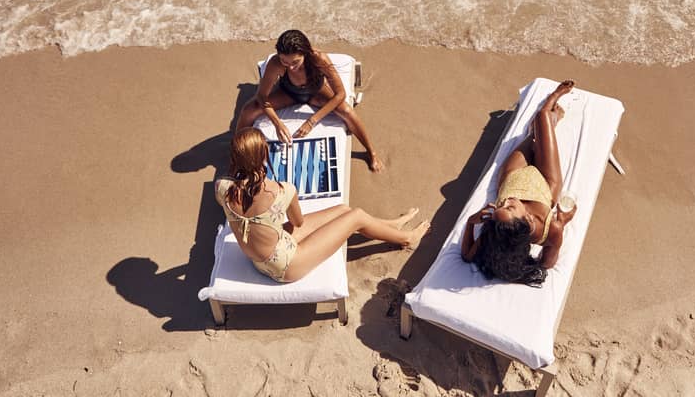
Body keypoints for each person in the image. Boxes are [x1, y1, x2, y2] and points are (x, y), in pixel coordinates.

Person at [215, 127, 429, 283]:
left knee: (344, 211)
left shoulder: (222, 188)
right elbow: (297, 222)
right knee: (357, 217)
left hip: (258, 259)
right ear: (264, 155)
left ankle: (393, 225)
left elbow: (250, 214)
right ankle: (407, 239)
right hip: (286, 266)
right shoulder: (281, 191)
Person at [460, 80, 578, 287]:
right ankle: (555, 103)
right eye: (511, 207)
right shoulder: (551, 230)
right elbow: (547, 265)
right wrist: (563, 223)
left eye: (502, 205)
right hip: (545, 182)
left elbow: (467, 256)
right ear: (527, 220)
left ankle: (543, 126)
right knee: (541, 119)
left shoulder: (496, 227)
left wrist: (471, 222)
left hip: (513, 176)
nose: (506, 202)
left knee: (534, 135)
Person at [236, 29, 385, 172]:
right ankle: (237, 150)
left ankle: (371, 152)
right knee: (249, 109)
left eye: (295, 62)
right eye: (285, 62)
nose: (291, 67)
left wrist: (311, 121)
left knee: (346, 111)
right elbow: (261, 96)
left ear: (305, 54)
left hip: (316, 92)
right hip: (288, 92)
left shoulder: (318, 58)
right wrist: (277, 123)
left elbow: (340, 94)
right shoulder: (276, 63)